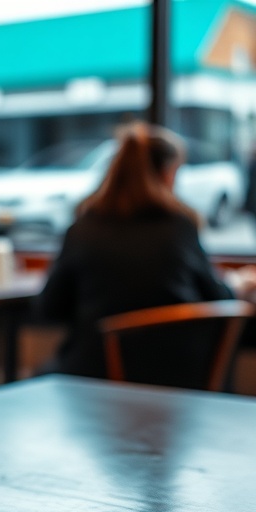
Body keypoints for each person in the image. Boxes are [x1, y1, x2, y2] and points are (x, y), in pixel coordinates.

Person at [35, 122, 240, 384]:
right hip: (177, 377)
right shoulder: (179, 228)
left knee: (44, 375)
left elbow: (48, 308)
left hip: (95, 373)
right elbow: (218, 297)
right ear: (167, 174)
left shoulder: (83, 229)